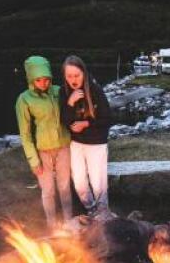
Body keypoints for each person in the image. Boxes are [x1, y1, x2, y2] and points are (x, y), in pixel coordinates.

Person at [15, 55, 72, 231]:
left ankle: (69, 221)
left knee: (64, 187)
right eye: (39, 80)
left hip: (63, 147)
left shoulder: (59, 91)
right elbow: (25, 134)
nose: (44, 83)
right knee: (48, 190)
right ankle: (52, 225)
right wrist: (33, 160)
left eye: (47, 79)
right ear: (31, 79)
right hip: (43, 151)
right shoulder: (24, 100)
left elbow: (72, 111)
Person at [60, 55, 112, 217]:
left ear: (84, 73)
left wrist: (86, 124)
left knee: (98, 184)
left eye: (77, 75)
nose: (73, 80)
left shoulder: (95, 90)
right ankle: (92, 211)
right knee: (80, 183)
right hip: (76, 143)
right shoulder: (64, 92)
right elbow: (65, 120)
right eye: (69, 76)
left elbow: (108, 118)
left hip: (96, 143)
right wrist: (70, 103)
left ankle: (103, 215)